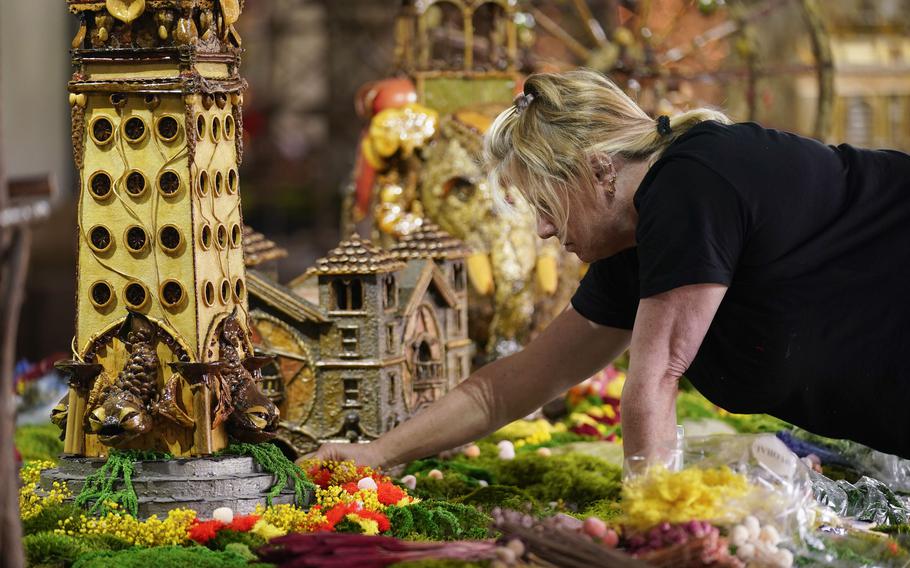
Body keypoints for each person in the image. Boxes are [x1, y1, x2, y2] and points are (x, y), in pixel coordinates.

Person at [310, 69, 910, 468]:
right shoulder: (634, 248)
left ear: (598, 170)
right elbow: (506, 388)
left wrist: (650, 533)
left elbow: (654, 380)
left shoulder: (692, 180)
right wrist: (375, 455)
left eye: (545, 205)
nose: (544, 230)